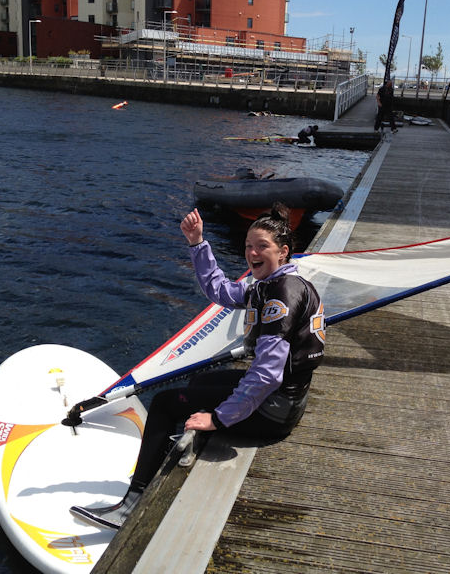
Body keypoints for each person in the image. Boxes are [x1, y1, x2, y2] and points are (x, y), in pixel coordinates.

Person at [71, 204, 325, 530]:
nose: (252, 252)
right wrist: (197, 244)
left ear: (284, 251)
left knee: (164, 403)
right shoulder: (276, 283)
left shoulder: (281, 297)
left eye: (262, 246)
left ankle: (131, 506)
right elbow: (220, 291)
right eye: (248, 245)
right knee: (198, 385)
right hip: (287, 398)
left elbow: (266, 375)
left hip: (274, 410)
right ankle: (163, 449)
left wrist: (218, 418)